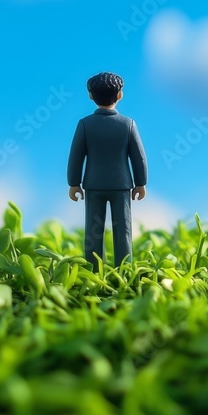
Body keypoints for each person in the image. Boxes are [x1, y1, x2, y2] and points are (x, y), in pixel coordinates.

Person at [67, 72, 148, 272]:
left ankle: (94, 271)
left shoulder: (85, 124)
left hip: (94, 185)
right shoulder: (128, 124)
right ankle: (125, 270)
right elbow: (139, 156)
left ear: (90, 96)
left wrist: (74, 183)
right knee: (124, 231)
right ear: (120, 95)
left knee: (93, 233)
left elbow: (76, 156)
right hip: (121, 186)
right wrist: (141, 182)